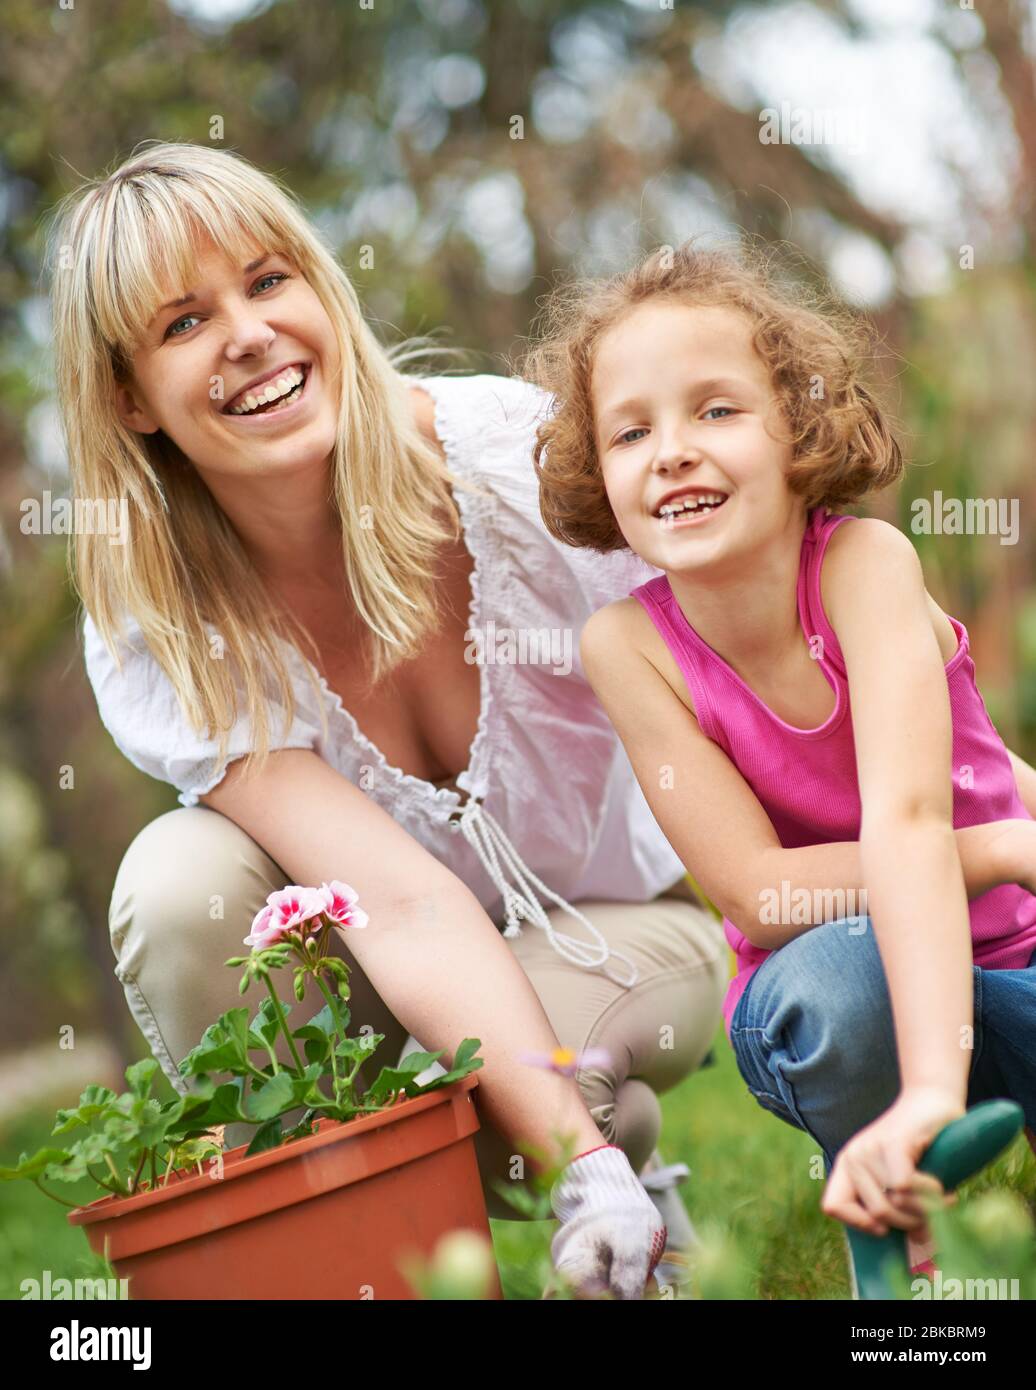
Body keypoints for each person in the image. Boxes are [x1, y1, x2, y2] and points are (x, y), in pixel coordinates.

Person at [47, 142, 728, 1300]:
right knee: (176, 880)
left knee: (528, 1087)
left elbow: (754, 644)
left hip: (614, 923)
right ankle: (359, 1264)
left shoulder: (517, 460)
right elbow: (401, 900)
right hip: (394, 953)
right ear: (127, 397)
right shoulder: (160, 621)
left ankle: (600, 1168)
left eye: (268, 281)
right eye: (182, 324)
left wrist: (574, 1158)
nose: (249, 334)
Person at [526, 239, 1036, 1272]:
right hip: (830, 992)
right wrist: (1010, 847)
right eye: (631, 430)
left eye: (716, 410)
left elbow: (919, 811)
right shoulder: (627, 645)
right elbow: (764, 898)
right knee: (840, 983)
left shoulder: (862, 565)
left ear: (798, 428)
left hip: (1009, 964)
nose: (671, 449)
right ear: (600, 470)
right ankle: (886, 1176)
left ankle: (952, 1146)